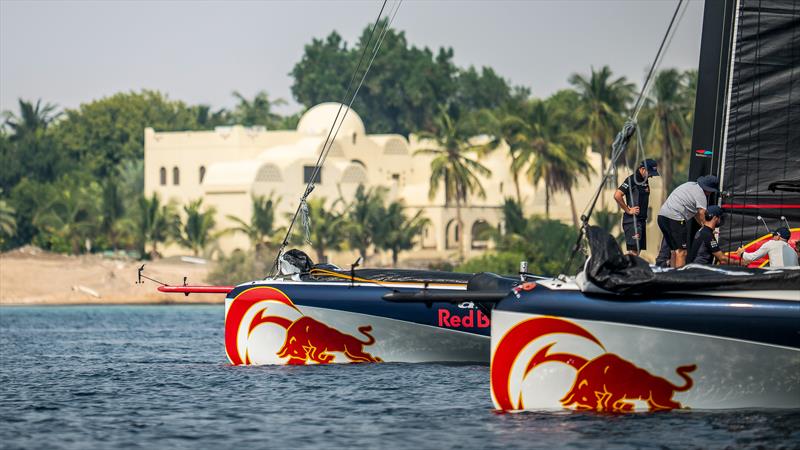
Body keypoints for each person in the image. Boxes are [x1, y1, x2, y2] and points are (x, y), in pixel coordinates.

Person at [657, 174, 719, 268]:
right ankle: (681, 280)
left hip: (662, 216)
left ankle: (672, 277)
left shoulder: (690, 185)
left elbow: (696, 215)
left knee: (675, 251)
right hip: (675, 218)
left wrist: (703, 226)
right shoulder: (701, 195)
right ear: (709, 190)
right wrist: (708, 229)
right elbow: (702, 213)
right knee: (682, 252)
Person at [614, 159, 659, 256]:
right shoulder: (631, 180)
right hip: (632, 221)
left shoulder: (645, 180)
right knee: (633, 253)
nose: (651, 176)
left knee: (637, 252)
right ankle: (623, 269)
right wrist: (628, 210)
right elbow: (617, 195)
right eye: (650, 173)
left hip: (641, 221)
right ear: (642, 169)